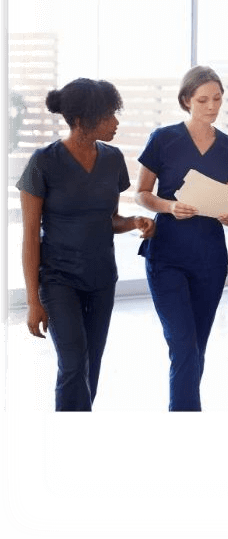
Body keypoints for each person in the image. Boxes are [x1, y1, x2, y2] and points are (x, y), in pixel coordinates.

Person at [17, 78, 155, 411]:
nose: (116, 122)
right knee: (74, 364)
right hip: (58, 279)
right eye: (108, 115)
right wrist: (33, 301)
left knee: (90, 368)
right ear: (81, 120)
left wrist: (132, 222)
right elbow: (30, 236)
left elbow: (109, 219)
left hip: (101, 280)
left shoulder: (113, 159)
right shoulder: (43, 163)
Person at [135, 65, 228, 411]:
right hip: (166, 256)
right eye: (203, 99)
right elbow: (142, 194)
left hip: (209, 261)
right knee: (183, 345)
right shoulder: (163, 139)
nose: (212, 106)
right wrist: (169, 206)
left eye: (218, 99)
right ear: (186, 100)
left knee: (197, 347)